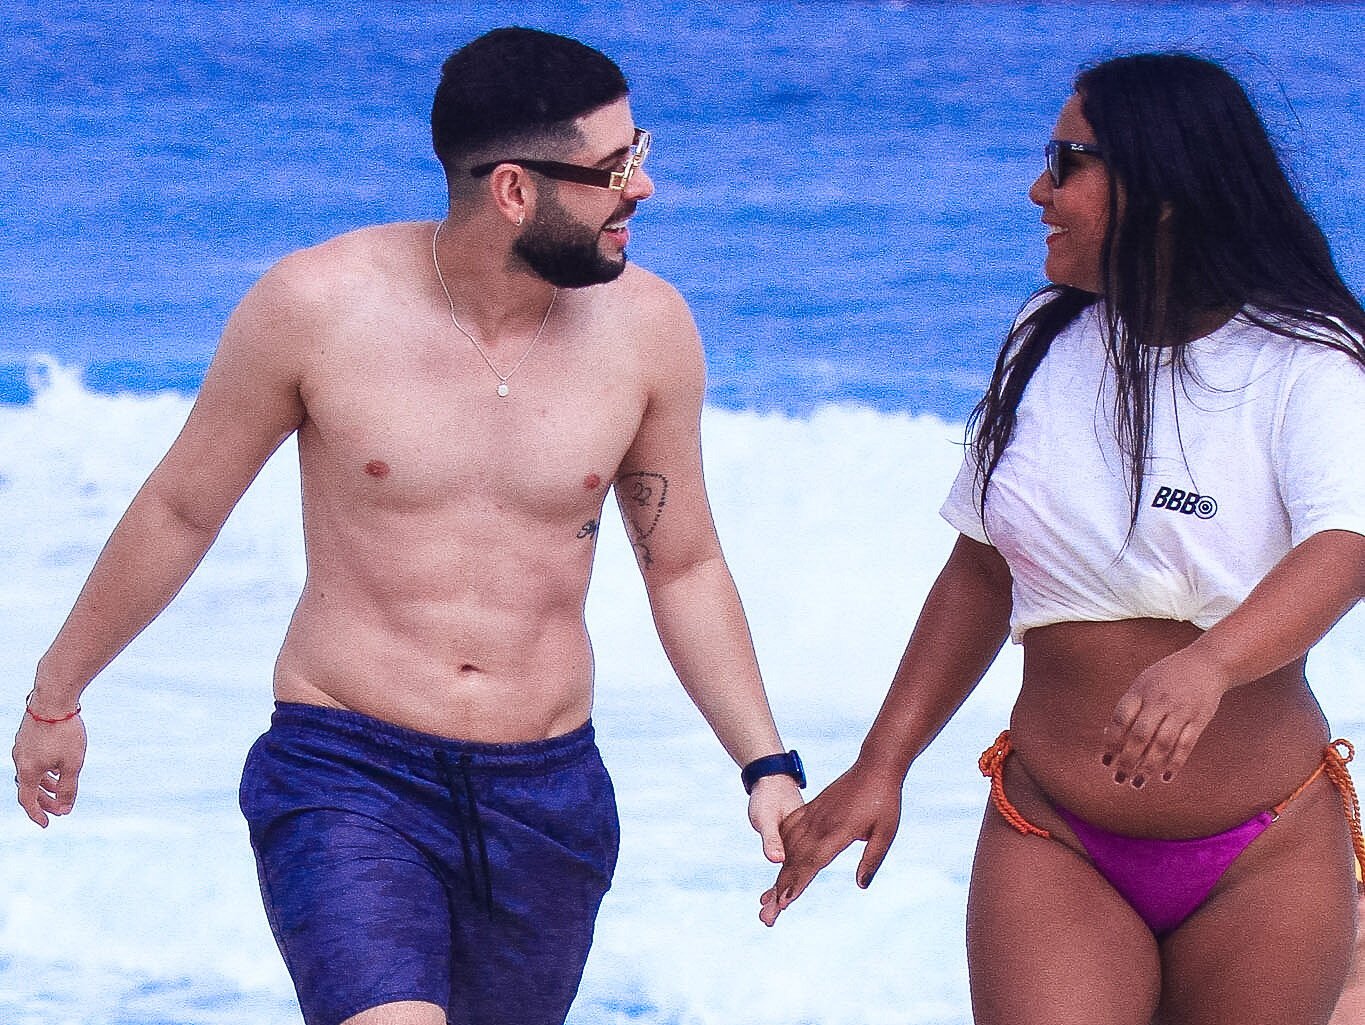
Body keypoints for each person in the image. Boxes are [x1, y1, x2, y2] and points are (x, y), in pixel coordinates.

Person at [12, 27, 805, 1025]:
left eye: (636, 151)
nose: (641, 188)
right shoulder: (317, 307)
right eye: (614, 168)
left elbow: (681, 563)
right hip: (347, 769)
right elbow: (182, 506)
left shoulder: (650, 330)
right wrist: (56, 695)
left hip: (547, 792)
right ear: (513, 189)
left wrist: (766, 764)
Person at [760, 52, 1365, 1025]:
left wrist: (1210, 664)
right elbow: (980, 568)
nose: (1037, 191)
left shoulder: (1307, 361)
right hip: (1055, 832)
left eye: (1065, 163)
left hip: (1265, 849)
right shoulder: (1046, 336)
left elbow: (1346, 545)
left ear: (1160, 190)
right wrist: (883, 761)